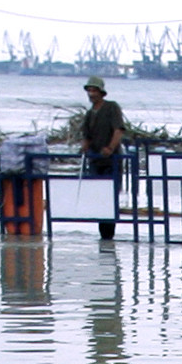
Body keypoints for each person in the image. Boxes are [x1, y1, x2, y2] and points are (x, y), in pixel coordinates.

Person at [77, 78, 127, 243]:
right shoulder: (90, 113)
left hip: (111, 162)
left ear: (101, 92)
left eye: (94, 90)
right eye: (89, 91)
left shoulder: (111, 107)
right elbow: (87, 136)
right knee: (98, 197)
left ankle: (109, 235)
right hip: (95, 161)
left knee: (110, 197)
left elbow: (118, 130)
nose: (91, 94)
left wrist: (110, 148)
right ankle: (103, 236)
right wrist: (84, 147)